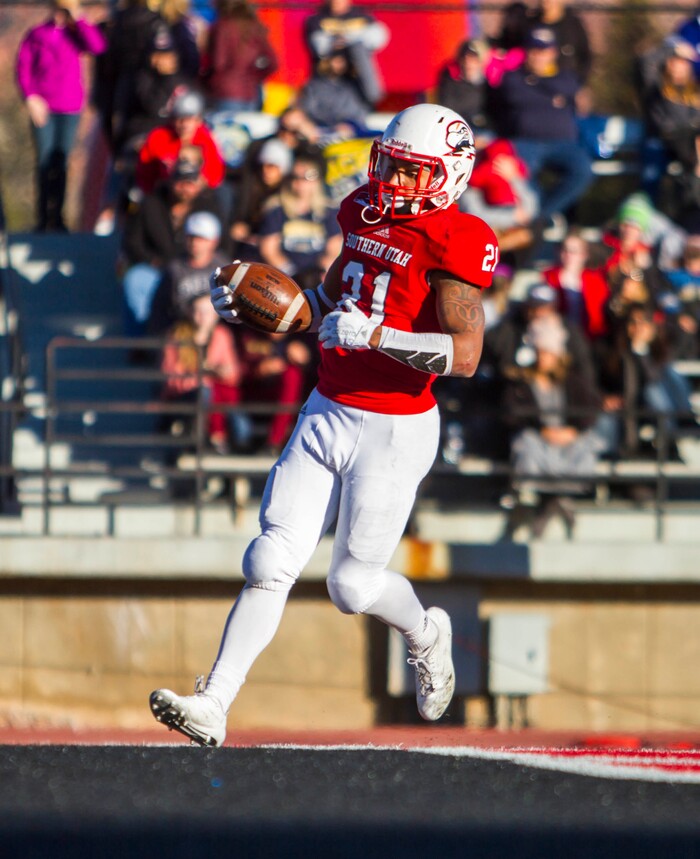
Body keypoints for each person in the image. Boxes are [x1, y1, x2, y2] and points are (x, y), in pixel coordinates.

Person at [149, 103, 499, 746]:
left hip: (395, 426)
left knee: (351, 585)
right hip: (327, 405)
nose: (393, 182)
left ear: (449, 176)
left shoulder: (459, 237)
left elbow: (467, 355)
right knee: (269, 556)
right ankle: (214, 701)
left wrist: (381, 336)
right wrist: (272, 311)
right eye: (389, 166)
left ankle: (426, 632)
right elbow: (331, 303)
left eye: (411, 173)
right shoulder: (363, 210)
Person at [501, 317, 604, 538]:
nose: (542, 356)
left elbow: (591, 409)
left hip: (568, 440)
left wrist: (572, 431)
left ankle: (555, 501)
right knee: (526, 442)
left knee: (589, 443)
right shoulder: (521, 383)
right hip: (539, 439)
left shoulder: (573, 380)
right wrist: (541, 429)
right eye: (540, 351)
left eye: (547, 351)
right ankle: (551, 501)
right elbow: (512, 413)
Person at [16, 0, 107, 232]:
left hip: (70, 107)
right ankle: (43, 216)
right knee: (45, 161)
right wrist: (31, 97)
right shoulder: (38, 33)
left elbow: (97, 46)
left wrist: (78, 16)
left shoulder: (75, 33)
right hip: (43, 107)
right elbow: (23, 67)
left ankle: (58, 217)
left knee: (62, 160)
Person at [492, 25, 593, 227]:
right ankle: (533, 217)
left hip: (563, 144)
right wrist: (552, 94)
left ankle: (539, 218)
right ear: (526, 51)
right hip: (525, 143)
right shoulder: (513, 76)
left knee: (583, 170)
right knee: (518, 177)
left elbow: (571, 89)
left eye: (544, 50)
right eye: (534, 49)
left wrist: (535, 82)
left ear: (553, 52)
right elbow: (514, 94)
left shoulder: (566, 77)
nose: (539, 55)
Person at [257, 152, 342, 290]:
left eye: (307, 177)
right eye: (296, 177)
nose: (300, 182)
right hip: (284, 277)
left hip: (318, 277)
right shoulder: (277, 208)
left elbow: (334, 249)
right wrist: (292, 275)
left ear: (317, 180)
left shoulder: (328, 211)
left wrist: (321, 272)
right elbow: (269, 249)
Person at [135, 86, 225, 195]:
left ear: (198, 120)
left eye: (190, 119)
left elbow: (215, 176)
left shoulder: (205, 138)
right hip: (164, 195)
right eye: (180, 119)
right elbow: (145, 174)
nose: (184, 125)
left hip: (197, 195)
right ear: (172, 120)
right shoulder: (159, 137)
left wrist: (197, 181)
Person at [303, 0, 389, 110]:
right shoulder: (317, 19)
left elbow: (377, 39)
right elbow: (321, 47)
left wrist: (345, 39)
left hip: (357, 80)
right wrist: (355, 37)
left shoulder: (363, 16)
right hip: (329, 79)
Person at [201, 0, 278, 114]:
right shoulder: (255, 26)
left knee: (226, 130)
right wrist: (254, 76)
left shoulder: (222, 27)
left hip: (225, 92)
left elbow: (218, 63)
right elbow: (273, 63)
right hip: (251, 93)